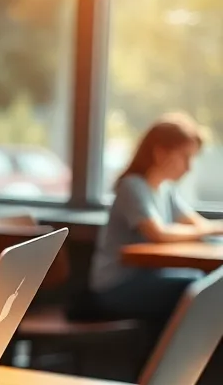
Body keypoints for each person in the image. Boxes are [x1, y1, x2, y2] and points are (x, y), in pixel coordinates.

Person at [88, 113, 222, 336]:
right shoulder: (132, 186)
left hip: (146, 279)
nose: (188, 168)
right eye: (185, 157)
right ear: (160, 153)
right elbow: (158, 233)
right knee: (196, 286)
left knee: (202, 284)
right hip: (114, 285)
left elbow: (197, 223)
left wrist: (213, 227)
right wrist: (206, 229)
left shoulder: (166, 189)